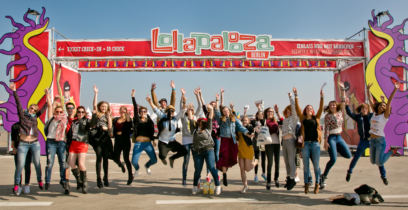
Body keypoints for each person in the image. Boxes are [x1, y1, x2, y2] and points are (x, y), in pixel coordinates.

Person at [11, 83, 45, 196]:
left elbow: (44, 107)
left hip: (34, 143)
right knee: (20, 165)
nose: (32, 110)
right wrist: (14, 91)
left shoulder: (35, 118)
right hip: (23, 144)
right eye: (31, 108)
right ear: (28, 108)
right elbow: (18, 104)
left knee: (36, 163)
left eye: (34, 110)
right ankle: (17, 185)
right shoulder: (23, 116)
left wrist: (48, 97)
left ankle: (40, 180)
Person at [214, 89, 251, 187]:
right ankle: (225, 175)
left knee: (233, 158)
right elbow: (217, 111)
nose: (225, 112)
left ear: (229, 111)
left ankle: (225, 171)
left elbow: (241, 127)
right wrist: (217, 100)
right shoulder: (221, 120)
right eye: (224, 111)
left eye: (227, 110)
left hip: (233, 141)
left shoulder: (234, 119)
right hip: (225, 141)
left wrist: (248, 133)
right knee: (224, 158)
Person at [90, 85, 124, 188]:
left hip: (105, 137)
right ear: (100, 107)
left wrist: (109, 117)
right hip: (97, 137)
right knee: (99, 158)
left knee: (106, 158)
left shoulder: (109, 115)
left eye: (105, 106)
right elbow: (94, 105)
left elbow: (110, 127)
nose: (103, 108)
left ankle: (105, 177)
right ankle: (98, 179)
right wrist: (96, 93)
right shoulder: (97, 113)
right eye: (102, 106)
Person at [146, 84, 187, 168]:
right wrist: (150, 101)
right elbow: (155, 108)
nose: (170, 112)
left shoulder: (175, 118)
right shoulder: (162, 115)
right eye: (169, 111)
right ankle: (163, 157)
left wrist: (178, 92)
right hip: (163, 141)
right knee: (162, 156)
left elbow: (182, 109)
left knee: (184, 151)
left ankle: (172, 158)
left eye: (172, 111)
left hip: (172, 141)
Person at [320, 82, 352, 189]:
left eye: (334, 104)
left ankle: (336, 148)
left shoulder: (340, 112)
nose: (333, 105)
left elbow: (343, 100)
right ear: (329, 107)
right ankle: (324, 176)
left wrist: (343, 89)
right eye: (331, 104)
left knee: (348, 155)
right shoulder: (328, 116)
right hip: (332, 138)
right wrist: (325, 142)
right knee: (333, 159)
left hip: (339, 137)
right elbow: (326, 129)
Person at [367, 82, 399, 185]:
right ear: (378, 107)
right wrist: (368, 90)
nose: (382, 106)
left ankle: (391, 151)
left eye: (384, 106)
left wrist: (395, 89)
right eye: (381, 105)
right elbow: (370, 101)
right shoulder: (375, 113)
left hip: (380, 140)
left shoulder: (385, 116)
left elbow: (389, 102)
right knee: (373, 162)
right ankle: (383, 175)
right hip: (372, 141)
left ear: (386, 109)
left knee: (379, 162)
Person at [294, 87, 324, 194]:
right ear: (305, 110)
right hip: (305, 144)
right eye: (307, 108)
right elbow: (297, 109)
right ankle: (306, 184)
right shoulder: (302, 119)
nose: (309, 109)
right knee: (306, 166)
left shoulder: (317, 118)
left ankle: (317, 184)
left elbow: (321, 108)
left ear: (313, 110)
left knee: (316, 166)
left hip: (315, 144)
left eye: (311, 108)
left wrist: (321, 97)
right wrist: (296, 96)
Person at [191, 104, 221, 195]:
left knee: (212, 167)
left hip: (208, 150)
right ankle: (195, 186)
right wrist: (189, 109)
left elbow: (210, 117)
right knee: (197, 170)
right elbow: (191, 118)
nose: (202, 123)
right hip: (197, 152)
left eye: (203, 122)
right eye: (200, 122)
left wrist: (211, 109)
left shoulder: (208, 128)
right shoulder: (194, 130)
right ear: (198, 123)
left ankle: (218, 186)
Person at [43, 89, 69, 194]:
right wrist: (48, 96)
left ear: (63, 112)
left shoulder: (65, 119)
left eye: (60, 111)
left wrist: (61, 99)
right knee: (50, 162)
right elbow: (50, 106)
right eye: (57, 111)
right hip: (51, 142)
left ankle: (63, 181)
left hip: (61, 142)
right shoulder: (51, 118)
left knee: (63, 163)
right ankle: (47, 181)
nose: (58, 113)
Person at [131, 89, 157, 183]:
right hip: (138, 143)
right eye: (141, 111)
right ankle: (137, 169)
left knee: (154, 160)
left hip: (147, 143)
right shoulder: (137, 120)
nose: (143, 112)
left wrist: (153, 140)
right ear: (139, 112)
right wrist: (133, 97)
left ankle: (147, 166)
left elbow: (152, 132)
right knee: (134, 162)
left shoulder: (149, 121)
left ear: (146, 112)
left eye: (145, 111)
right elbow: (134, 107)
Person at [180, 87, 203, 186]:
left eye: (192, 108)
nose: (191, 109)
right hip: (186, 140)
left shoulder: (196, 116)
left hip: (194, 141)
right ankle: (184, 179)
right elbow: (181, 106)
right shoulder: (183, 116)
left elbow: (200, 106)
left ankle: (197, 179)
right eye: (189, 108)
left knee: (196, 161)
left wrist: (197, 95)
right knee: (186, 161)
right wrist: (183, 95)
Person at [66, 106, 90, 193]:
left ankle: (84, 183)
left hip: (82, 144)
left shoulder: (86, 121)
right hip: (73, 143)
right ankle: (79, 180)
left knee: (80, 164)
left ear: (84, 113)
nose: (80, 113)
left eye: (82, 112)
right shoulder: (74, 122)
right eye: (79, 112)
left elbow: (92, 123)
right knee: (71, 164)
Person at [280, 92, 299, 190]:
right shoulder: (285, 120)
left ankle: (293, 179)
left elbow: (294, 106)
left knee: (292, 161)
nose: (288, 112)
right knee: (286, 161)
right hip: (284, 142)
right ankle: (288, 178)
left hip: (291, 141)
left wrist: (291, 97)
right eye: (286, 111)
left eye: (289, 110)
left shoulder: (294, 118)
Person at [112, 105, 133, 184]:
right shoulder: (116, 119)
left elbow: (129, 125)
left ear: (126, 111)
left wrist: (128, 116)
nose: (122, 112)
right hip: (117, 141)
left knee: (126, 159)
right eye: (121, 110)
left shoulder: (128, 119)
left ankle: (130, 176)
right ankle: (121, 165)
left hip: (125, 141)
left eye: (124, 111)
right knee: (115, 158)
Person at [263, 105, 282, 190]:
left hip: (277, 143)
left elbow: (282, 121)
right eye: (269, 111)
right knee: (270, 162)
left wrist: (277, 112)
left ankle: (276, 179)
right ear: (266, 113)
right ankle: (269, 181)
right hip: (268, 143)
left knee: (277, 162)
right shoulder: (264, 121)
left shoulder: (276, 121)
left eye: (272, 112)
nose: (270, 113)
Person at [11, 122, 32, 195]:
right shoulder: (15, 126)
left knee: (27, 167)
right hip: (18, 149)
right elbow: (13, 139)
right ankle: (18, 186)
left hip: (28, 150)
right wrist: (14, 148)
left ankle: (26, 185)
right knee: (18, 168)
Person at [237, 115, 255, 193]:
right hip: (240, 149)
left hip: (248, 149)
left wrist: (254, 131)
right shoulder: (239, 129)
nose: (244, 122)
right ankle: (245, 185)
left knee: (247, 169)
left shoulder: (249, 128)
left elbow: (252, 132)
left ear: (248, 122)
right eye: (243, 120)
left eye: (246, 120)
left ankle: (256, 162)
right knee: (242, 169)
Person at [251, 106, 267, 183]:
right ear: (257, 115)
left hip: (263, 142)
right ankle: (255, 175)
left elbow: (264, 123)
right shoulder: (254, 121)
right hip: (256, 142)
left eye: (262, 114)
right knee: (256, 158)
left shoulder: (264, 121)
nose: (260, 115)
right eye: (259, 114)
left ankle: (263, 173)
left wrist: (260, 110)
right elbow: (253, 126)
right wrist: (258, 109)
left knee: (263, 158)